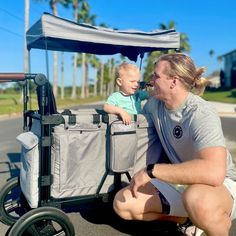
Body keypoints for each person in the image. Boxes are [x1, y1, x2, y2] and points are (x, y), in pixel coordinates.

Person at [113, 53, 236, 236]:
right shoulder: (154, 105)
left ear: (173, 81)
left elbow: (214, 172)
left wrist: (150, 171)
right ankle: (188, 219)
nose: (151, 80)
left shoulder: (200, 113)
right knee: (123, 203)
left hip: (219, 186)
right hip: (181, 181)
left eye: (156, 75)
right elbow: (128, 104)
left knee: (197, 201)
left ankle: (213, 220)